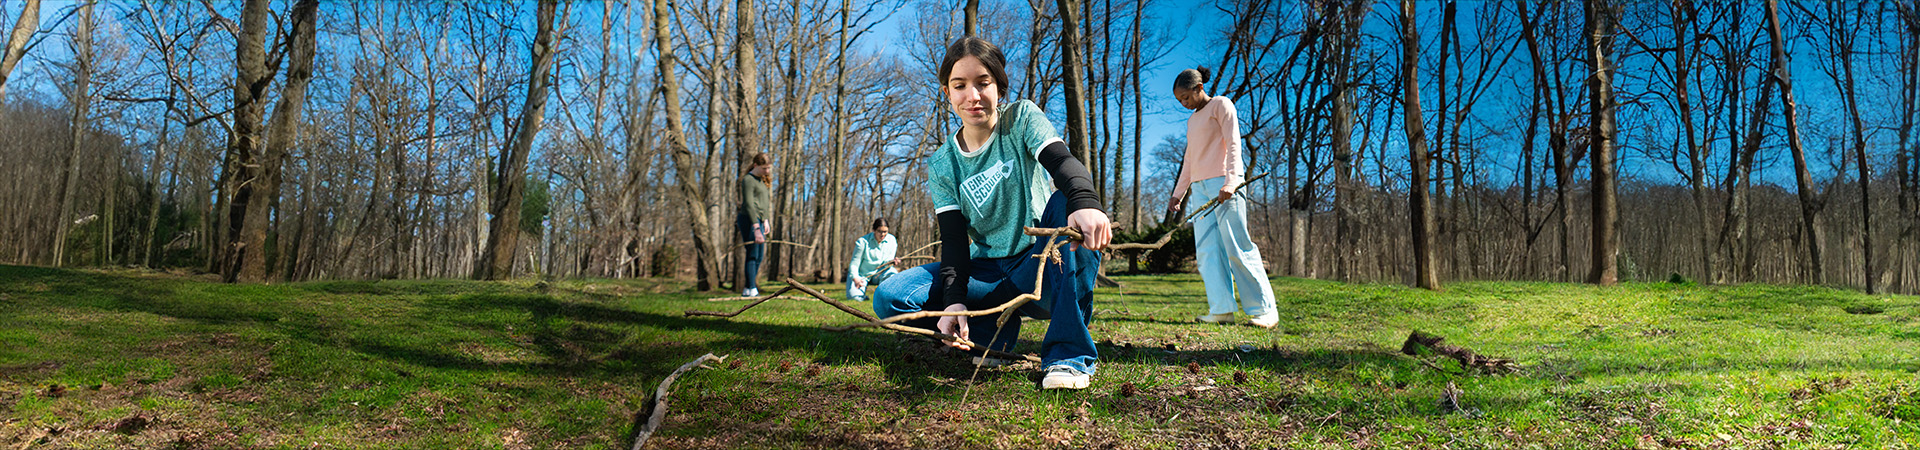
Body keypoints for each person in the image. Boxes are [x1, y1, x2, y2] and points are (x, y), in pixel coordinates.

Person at [872, 36, 1113, 390]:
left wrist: (1086, 200)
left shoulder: (1020, 119)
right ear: (947, 93)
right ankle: (990, 333)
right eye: (960, 85)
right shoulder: (942, 163)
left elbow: (1062, 162)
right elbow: (954, 240)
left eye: (983, 83)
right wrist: (954, 303)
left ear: (999, 86)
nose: (973, 95)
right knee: (890, 297)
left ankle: (1068, 356)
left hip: (1039, 264)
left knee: (1067, 204)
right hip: (984, 275)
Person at [1165, 66, 1279, 329]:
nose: (1184, 103)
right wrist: (1178, 193)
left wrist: (1233, 181)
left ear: (1199, 88)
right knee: (1207, 250)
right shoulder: (1192, 120)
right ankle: (1221, 309)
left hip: (1225, 185)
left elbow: (1234, 142)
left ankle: (1264, 310)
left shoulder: (1221, 105)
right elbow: (1190, 159)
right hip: (1200, 187)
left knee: (1237, 246)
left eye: (1186, 97)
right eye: (1179, 100)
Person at [737, 153, 773, 297]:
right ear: (756, 165)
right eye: (764, 168)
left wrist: (765, 220)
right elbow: (749, 204)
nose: (767, 171)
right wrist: (756, 227)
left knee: (759, 256)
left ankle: (748, 288)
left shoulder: (761, 180)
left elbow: (763, 204)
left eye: (769, 168)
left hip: (759, 220)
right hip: (749, 219)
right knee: (752, 254)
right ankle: (751, 288)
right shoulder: (748, 180)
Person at [846, 218, 901, 302]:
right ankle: (862, 296)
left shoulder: (892, 240)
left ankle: (884, 296)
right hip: (863, 275)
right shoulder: (862, 242)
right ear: (874, 230)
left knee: (893, 273)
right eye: (879, 231)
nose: (882, 234)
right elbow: (854, 264)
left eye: (885, 231)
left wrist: (893, 261)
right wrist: (855, 278)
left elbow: (888, 261)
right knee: (854, 297)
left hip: (881, 274)